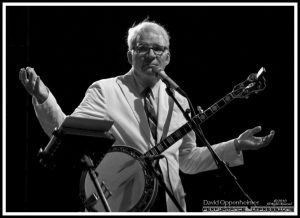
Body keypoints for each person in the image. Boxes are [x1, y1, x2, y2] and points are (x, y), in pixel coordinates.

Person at [19, 20, 275, 212]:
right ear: (130, 55)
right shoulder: (105, 91)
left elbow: (186, 160)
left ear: (168, 56)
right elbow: (68, 131)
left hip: (171, 204)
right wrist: (43, 98)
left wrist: (235, 145)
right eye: (142, 48)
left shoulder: (179, 99)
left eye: (158, 49)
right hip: (117, 202)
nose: (151, 55)